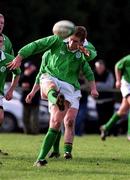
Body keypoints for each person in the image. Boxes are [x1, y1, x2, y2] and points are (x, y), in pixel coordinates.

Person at [7, 26, 99, 167]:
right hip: (51, 77)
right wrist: (20, 56)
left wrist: (93, 88)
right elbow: (36, 45)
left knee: (57, 122)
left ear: (82, 42)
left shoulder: (83, 51)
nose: (71, 43)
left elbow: (92, 57)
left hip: (69, 87)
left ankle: (50, 155)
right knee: (50, 85)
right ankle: (41, 158)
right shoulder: (58, 39)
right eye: (70, 39)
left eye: (75, 41)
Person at [100, 55, 130, 140]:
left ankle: (105, 127)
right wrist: (118, 80)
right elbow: (117, 66)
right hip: (126, 85)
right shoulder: (128, 59)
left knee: (122, 111)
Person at [0, 33, 21, 154]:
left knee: (1, 118)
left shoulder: (7, 58)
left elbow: (17, 72)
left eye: (0, 42)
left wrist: (11, 90)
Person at [19, 61, 40, 134]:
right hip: (25, 99)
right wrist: (25, 75)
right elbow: (20, 82)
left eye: (29, 67)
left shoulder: (37, 74)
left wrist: (28, 86)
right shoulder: (24, 74)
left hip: (34, 100)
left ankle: (34, 132)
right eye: (27, 68)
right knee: (25, 118)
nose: (28, 69)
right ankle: (27, 132)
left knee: (34, 118)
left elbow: (36, 85)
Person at [94, 60, 115, 131]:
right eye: (97, 67)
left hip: (108, 101)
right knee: (100, 119)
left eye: (100, 67)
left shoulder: (109, 73)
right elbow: (89, 84)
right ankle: (101, 133)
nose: (98, 69)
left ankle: (111, 133)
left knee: (109, 119)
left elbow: (109, 85)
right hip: (98, 101)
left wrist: (97, 84)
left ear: (104, 67)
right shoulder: (93, 74)